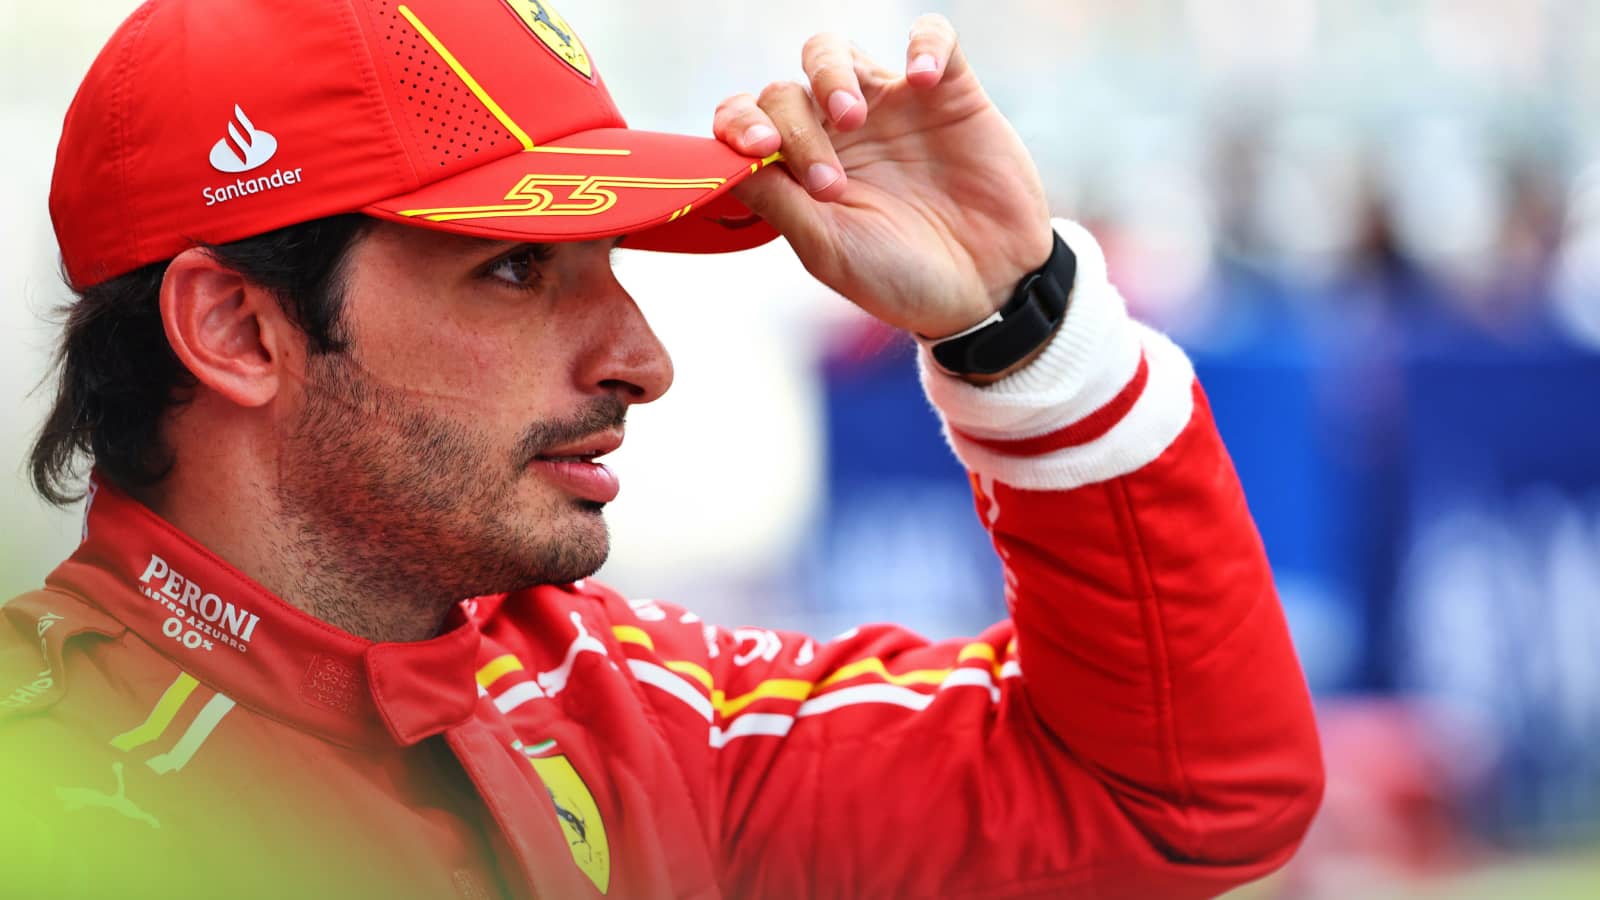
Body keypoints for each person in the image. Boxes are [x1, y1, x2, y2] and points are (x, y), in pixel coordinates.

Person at [0, 0, 1323, 897]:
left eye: (610, 261)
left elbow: (1176, 799)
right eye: (517, 270)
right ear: (237, 327)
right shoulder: (41, 792)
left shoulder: (625, 702)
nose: (642, 358)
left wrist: (1021, 327)